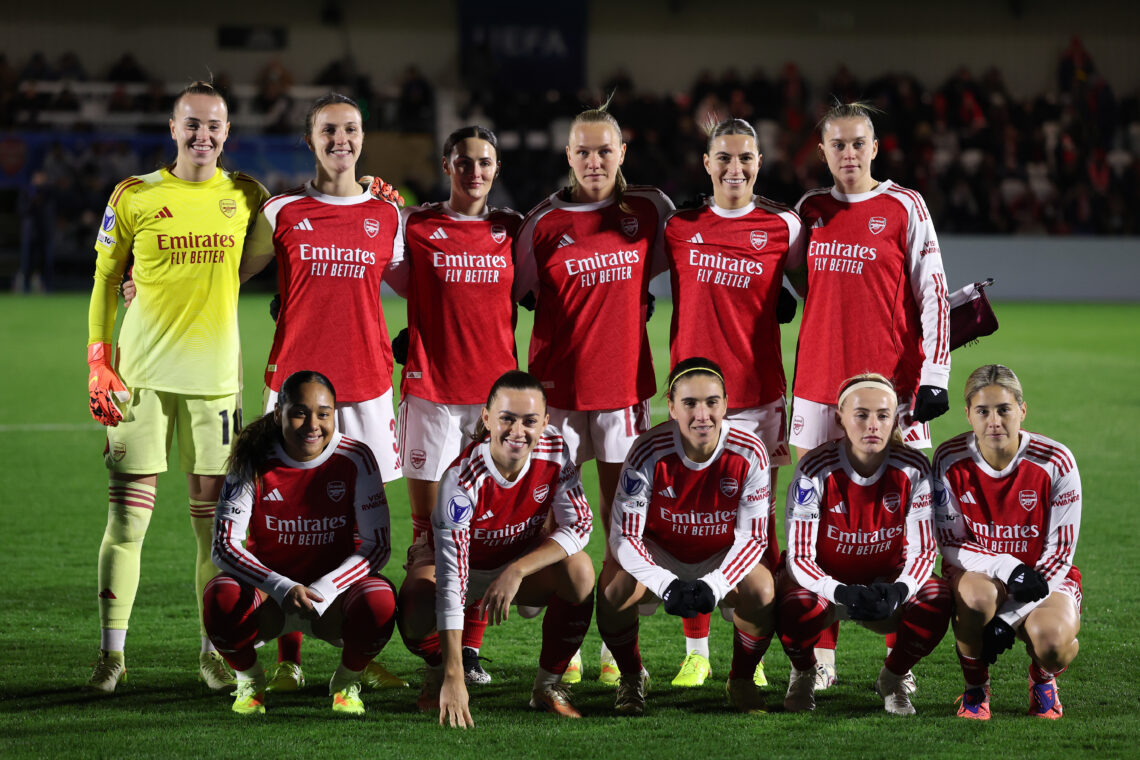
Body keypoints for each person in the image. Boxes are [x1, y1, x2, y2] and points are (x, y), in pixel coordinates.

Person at [85, 80, 272, 693]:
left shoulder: (247, 196)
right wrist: (98, 360)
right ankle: (112, 654)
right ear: (172, 128)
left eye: (214, 126)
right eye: (191, 124)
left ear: (227, 132)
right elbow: (106, 278)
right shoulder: (135, 196)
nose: (203, 136)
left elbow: (297, 239)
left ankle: (212, 653)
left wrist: (377, 193)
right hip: (138, 382)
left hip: (215, 385)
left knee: (215, 531)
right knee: (126, 523)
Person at [238, 92, 407, 693]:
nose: (342, 140)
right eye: (329, 131)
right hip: (294, 391)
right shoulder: (281, 210)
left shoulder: (389, 215)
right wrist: (142, 283)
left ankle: (354, 657)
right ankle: (287, 659)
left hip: (364, 388)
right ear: (309, 141)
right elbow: (231, 273)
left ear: (364, 138)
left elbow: (418, 284)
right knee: (284, 522)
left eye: (352, 130)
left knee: (359, 527)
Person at [788, 100, 952, 687]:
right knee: (816, 518)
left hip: (891, 390)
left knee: (897, 514)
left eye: (859, 143)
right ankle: (821, 657)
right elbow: (794, 280)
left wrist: (934, 377)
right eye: (838, 145)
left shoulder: (905, 205)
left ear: (876, 147)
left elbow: (932, 291)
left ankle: (895, 661)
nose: (849, 154)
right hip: (816, 386)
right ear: (823, 150)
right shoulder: (809, 210)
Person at [513, 99, 673, 683]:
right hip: (555, 397)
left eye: (605, 149)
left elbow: (677, 264)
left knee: (617, 515)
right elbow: (508, 293)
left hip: (622, 390)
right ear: (568, 155)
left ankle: (613, 642)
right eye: (583, 150)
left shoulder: (650, 210)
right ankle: (567, 639)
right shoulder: (543, 222)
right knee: (555, 517)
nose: (594, 160)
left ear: (622, 152)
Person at [662, 117, 804, 688]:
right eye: (724, 158)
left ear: (759, 163)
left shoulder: (783, 226)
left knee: (755, 527)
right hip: (693, 400)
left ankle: (754, 649)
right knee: (693, 523)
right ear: (706, 163)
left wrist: (785, 301)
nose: (734, 168)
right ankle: (696, 652)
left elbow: (818, 292)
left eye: (745, 158)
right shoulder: (678, 226)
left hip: (756, 397)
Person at [394, 125, 523, 686]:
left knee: (477, 531)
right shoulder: (418, 226)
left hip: (492, 405)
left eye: (486, 162)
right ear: (447, 165)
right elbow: (369, 270)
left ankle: (466, 653)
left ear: (497, 168)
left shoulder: (512, 230)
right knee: (427, 535)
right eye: (464, 162)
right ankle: (432, 649)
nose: (475, 172)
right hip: (431, 397)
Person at [398, 371, 595, 727]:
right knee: (414, 606)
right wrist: (456, 677)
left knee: (579, 572)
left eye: (530, 421)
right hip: (460, 567)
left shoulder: (554, 450)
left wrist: (517, 570)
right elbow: (452, 582)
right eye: (507, 419)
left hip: (514, 562)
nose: (518, 431)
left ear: (545, 422)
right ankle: (439, 667)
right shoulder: (461, 481)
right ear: (487, 419)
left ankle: (547, 687)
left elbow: (580, 525)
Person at [204, 370, 397, 715]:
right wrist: (281, 587)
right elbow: (224, 545)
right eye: (299, 412)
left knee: (380, 600)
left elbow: (377, 545)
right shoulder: (253, 457)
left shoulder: (357, 457)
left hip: (331, 599)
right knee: (220, 596)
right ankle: (249, 680)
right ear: (278, 413)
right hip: (268, 598)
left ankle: (346, 681)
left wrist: (324, 588)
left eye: (323, 414)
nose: (313, 424)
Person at [598, 358, 775, 715]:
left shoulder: (749, 450)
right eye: (690, 403)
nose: (702, 414)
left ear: (725, 404)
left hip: (719, 555)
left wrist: (715, 584)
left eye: (712, 402)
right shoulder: (649, 450)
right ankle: (632, 678)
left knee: (762, 589)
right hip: (660, 553)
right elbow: (625, 537)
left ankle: (740, 679)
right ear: (672, 406)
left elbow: (754, 538)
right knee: (613, 590)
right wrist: (665, 583)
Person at [779, 373, 951, 715]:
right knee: (792, 603)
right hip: (827, 590)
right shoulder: (814, 469)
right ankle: (802, 671)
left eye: (883, 415)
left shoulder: (914, 468)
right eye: (861, 414)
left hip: (885, 587)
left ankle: (893, 677)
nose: (872, 424)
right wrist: (839, 591)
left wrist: (899, 591)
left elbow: (924, 552)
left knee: (938, 597)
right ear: (840, 418)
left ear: (895, 419)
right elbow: (799, 557)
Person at [933, 364, 1081, 720]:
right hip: (980, 574)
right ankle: (975, 688)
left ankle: (1043, 679)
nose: (994, 421)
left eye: (1004, 409)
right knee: (977, 598)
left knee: (1052, 641)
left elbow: (1059, 555)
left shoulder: (1055, 461)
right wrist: (1005, 567)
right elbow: (950, 543)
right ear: (968, 413)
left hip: (1044, 576)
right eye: (983, 411)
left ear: (1022, 410)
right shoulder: (949, 459)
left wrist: (1009, 618)